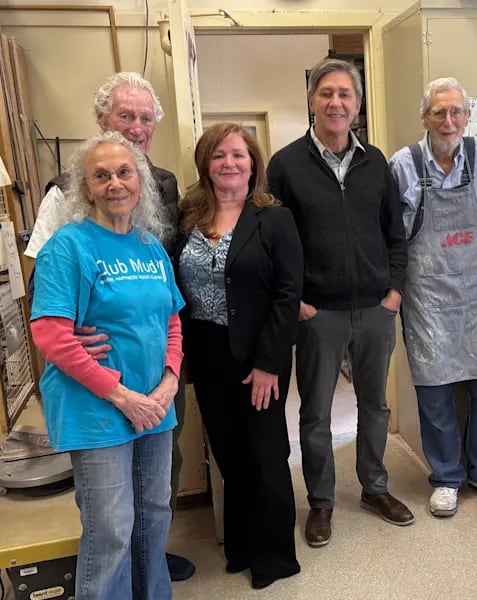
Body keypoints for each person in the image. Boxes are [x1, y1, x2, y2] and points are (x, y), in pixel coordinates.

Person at [24, 72, 193, 580]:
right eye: (102, 176)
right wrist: (122, 395)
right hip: (98, 407)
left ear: (141, 180)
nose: (115, 182)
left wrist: (166, 383)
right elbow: (50, 332)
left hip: (153, 404)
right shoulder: (67, 245)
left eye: (125, 173)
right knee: (112, 528)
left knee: (155, 515)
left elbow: (172, 321)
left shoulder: (148, 246)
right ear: (87, 187)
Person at [267, 57, 413, 547]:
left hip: (375, 308)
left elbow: (397, 234)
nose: (335, 102)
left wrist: (394, 292)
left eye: (345, 94)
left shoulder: (377, 163)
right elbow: (273, 241)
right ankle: (322, 502)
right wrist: (299, 302)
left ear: (357, 104)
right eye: (326, 93)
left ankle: (375, 488)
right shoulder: (285, 166)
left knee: (374, 405)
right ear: (312, 101)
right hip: (318, 314)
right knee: (315, 414)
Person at [389, 77, 477, 518]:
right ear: (425, 118)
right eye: (439, 112)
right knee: (435, 391)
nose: (448, 121)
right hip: (429, 290)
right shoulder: (404, 164)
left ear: (467, 117)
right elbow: (393, 231)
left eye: (456, 112)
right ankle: (447, 476)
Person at [173, 123, 302, 589]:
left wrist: (269, 363)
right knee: (227, 453)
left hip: (258, 356)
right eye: (219, 155)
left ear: (253, 164)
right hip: (207, 355)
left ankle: (274, 557)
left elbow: (288, 295)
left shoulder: (274, 218)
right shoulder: (187, 219)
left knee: (265, 453)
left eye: (239, 155)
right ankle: (243, 544)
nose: (230, 162)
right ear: (205, 164)